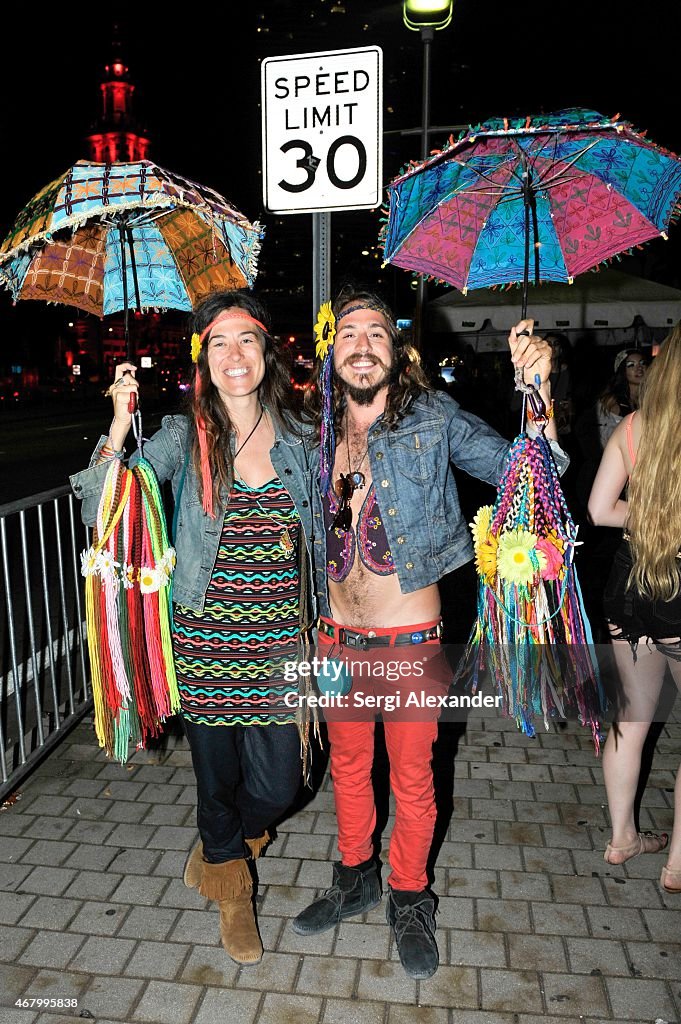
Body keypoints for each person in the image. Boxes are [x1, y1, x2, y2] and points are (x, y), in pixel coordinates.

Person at [290, 287, 562, 978]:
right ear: (332, 355)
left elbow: (529, 474)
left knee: (410, 778)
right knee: (347, 768)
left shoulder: (432, 417)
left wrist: (537, 395)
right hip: (333, 640)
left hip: (409, 641)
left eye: (375, 334)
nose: (360, 345)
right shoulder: (313, 431)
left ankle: (409, 896)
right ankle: (356, 875)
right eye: (348, 334)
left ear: (396, 350)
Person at [70, 289, 316, 964]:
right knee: (215, 776)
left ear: (267, 351)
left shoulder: (302, 434)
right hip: (203, 640)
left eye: (246, 340)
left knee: (280, 784)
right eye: (218, 343)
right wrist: (119, 425)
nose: (234, 355)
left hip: (277, 643)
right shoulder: (184, 434)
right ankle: (232, 889)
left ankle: (218, 846)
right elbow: (103, 503)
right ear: (204, 359)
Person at [588, 326, 680, 893]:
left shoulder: (635, 426)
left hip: (631, 584)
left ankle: (623, 835)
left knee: (630, 720)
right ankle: (677, 864)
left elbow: (600, 509)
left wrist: (650, 519)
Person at [596, 348, 648, 448]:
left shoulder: (653, 398)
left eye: (642, 363)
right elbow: (604, 439)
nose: (639, 368)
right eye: (631, 365)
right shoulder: (609, 401)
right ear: (622, 370)